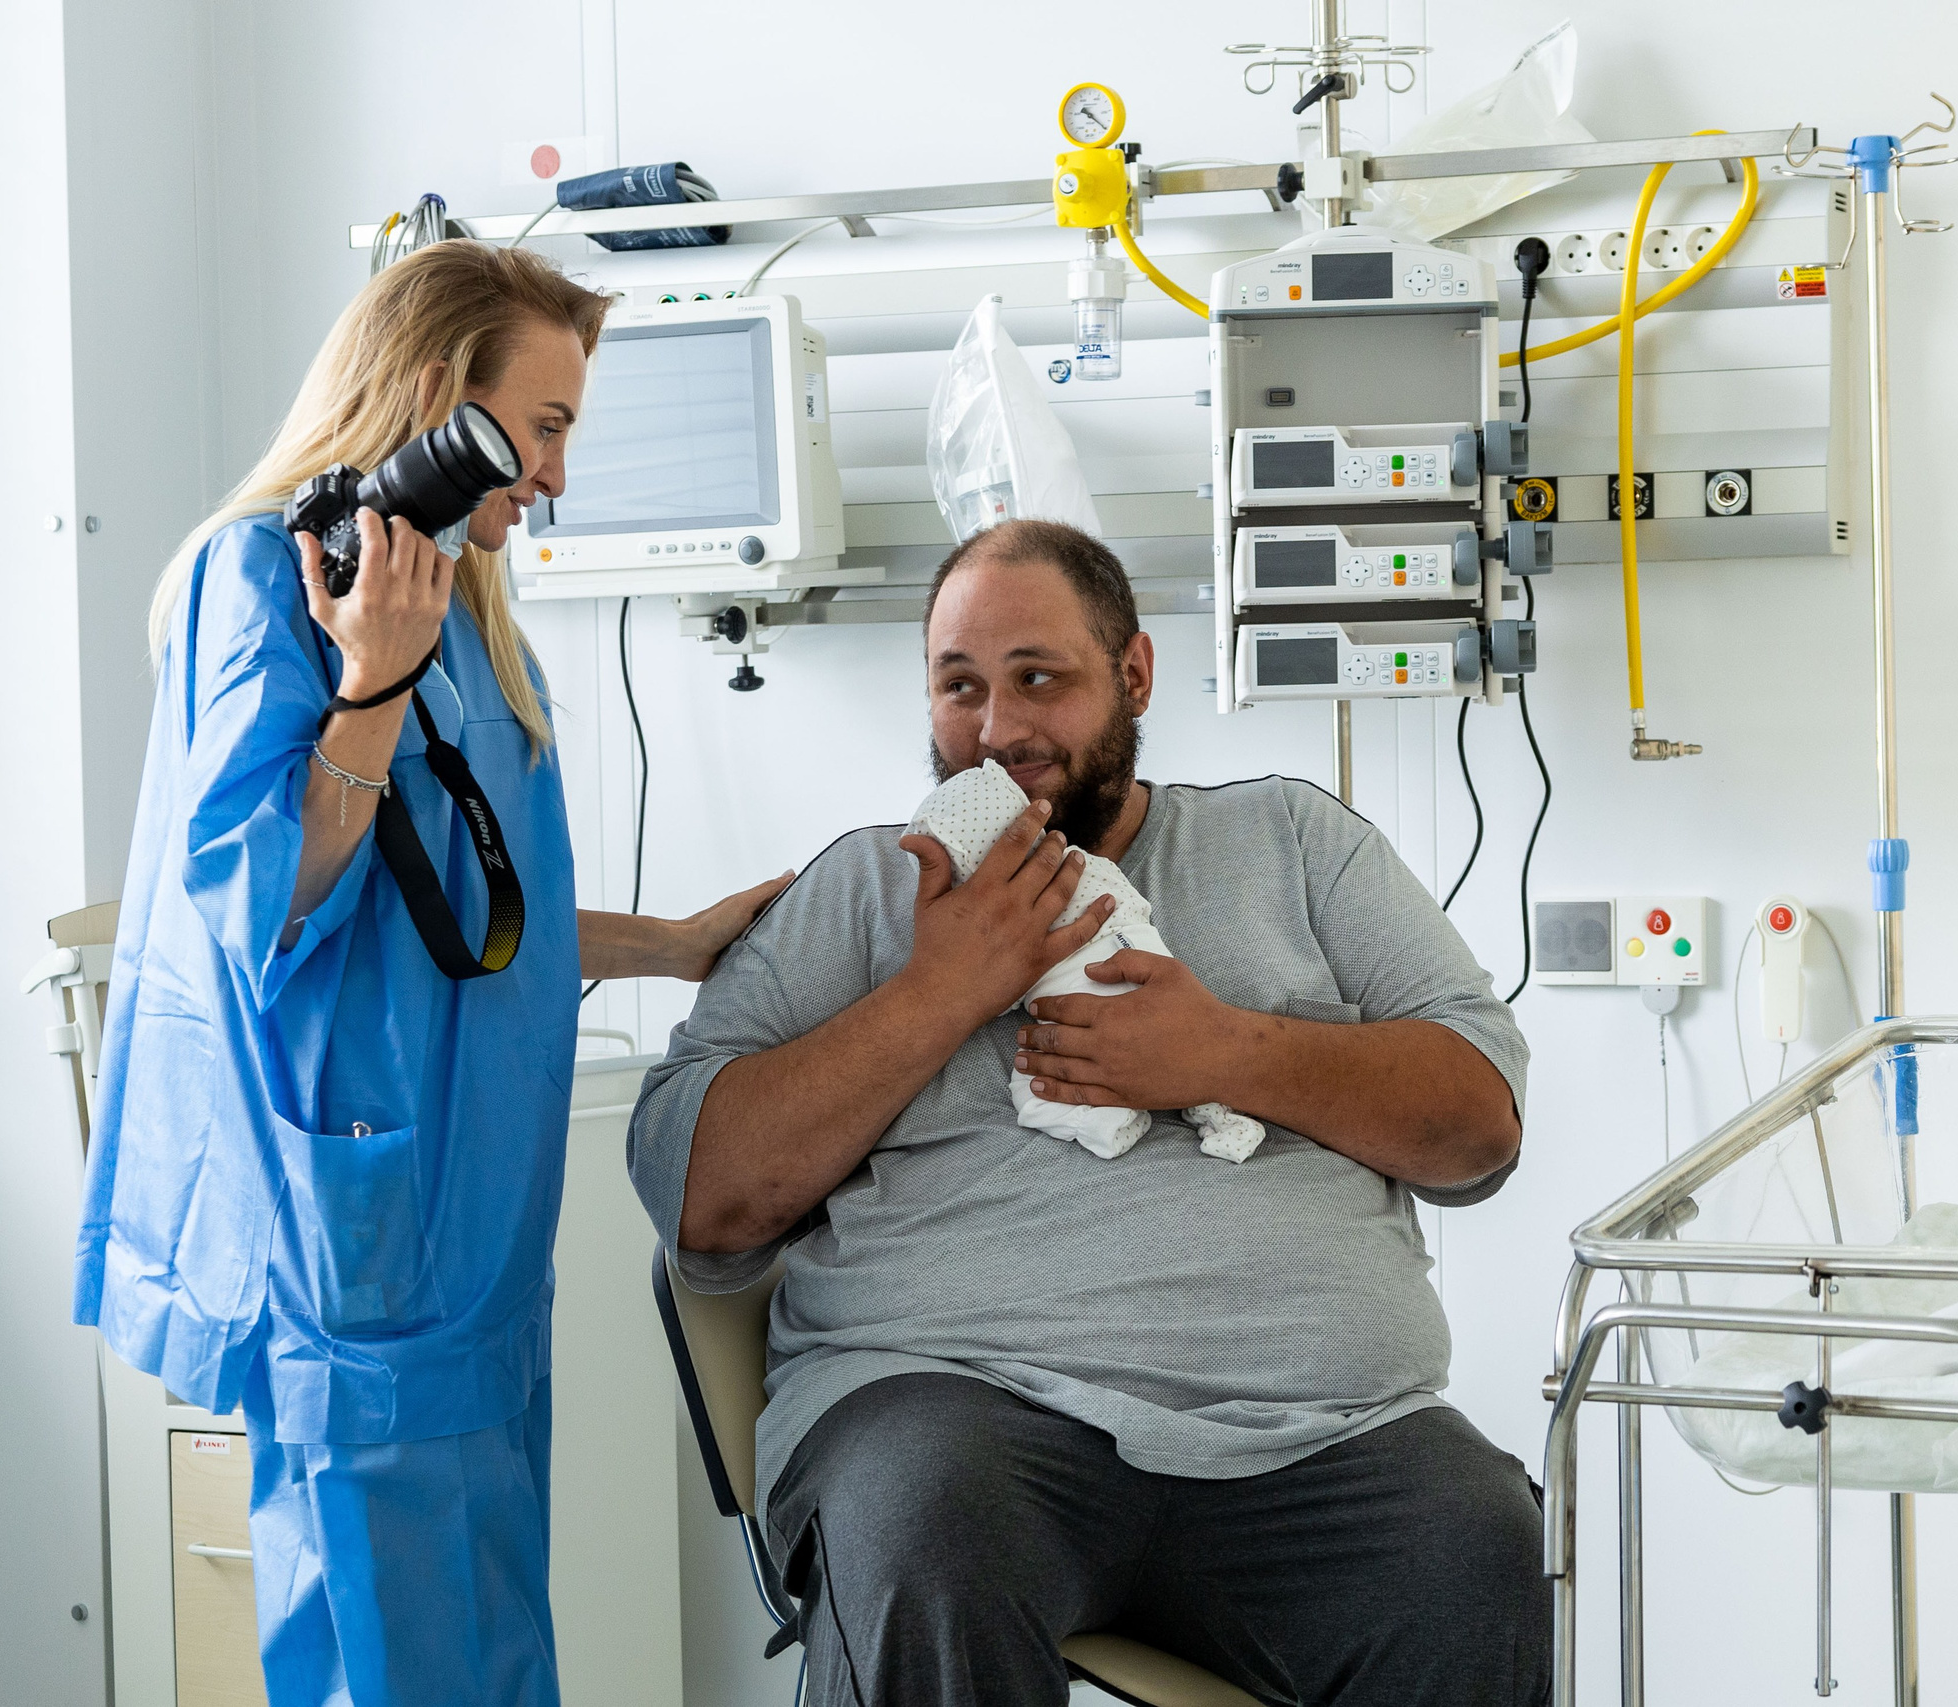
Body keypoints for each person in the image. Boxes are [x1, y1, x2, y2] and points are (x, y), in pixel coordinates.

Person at [628, 518, 1549, 1707]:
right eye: (959, 686)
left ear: (1134, 676)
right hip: (956, 1412)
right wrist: (939, 992)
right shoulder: (864, 889)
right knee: (927, 1529)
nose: (998, 731)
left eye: (1039, 680)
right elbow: (699, 1194)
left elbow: (1479, 1128)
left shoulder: (1296, 844)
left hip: (1319, 1437)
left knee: (1476, 1549)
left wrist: (1224, 1050)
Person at [75, 239, 785, 1707]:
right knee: (393, 1663)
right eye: (548, 428)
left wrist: (678, 942)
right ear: (438, 401)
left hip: (472, 1228)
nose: (558, 477)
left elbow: (462, 910)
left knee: (493, 1649)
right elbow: (265, 907)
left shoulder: (457, 600)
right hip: (362, 1232)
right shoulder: (267, 574)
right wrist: (371, 685)